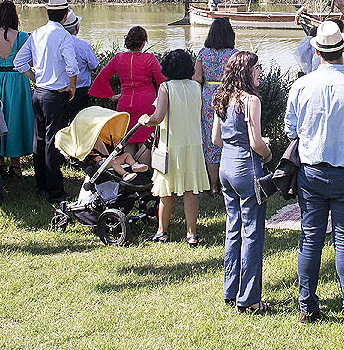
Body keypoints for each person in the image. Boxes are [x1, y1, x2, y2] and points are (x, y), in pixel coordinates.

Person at [286, 21, 344, 325]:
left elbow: (291, 130)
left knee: (311, 239)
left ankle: (307, 306)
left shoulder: (301, 86)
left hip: (312, 170)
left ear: (316, 51)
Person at [212, 51, 273, 312]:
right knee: (252, 233)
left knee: (233, 228)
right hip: (247, 169)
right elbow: (255, 142)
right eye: (256, 67)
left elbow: (215, 138)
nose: (260, 71)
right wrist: (268, 152)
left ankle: (230, 289)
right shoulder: (251, 101)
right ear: (245, 72)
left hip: (225, 167)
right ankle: (249, 298)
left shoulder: (222, 98)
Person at [13, 0, 83, 202]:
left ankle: (41, 184)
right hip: (54, 94)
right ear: (64, 16)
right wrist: (72, 87)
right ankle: (55, 191)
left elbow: (19, 62)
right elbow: (72, 65)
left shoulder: (36, 33)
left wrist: (35, 78)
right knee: (54, 141)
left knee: (39, 139)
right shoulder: (63, 36)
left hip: (39, 92)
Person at [139, 48, 210, 243]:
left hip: (170, 144)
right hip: (193, 144)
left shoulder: (165, 87)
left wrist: (147, 120)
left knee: (166, 190)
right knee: (191, 190)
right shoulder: (197, 87)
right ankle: (191, 233)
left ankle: (162, 231)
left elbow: (158, 117)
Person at [88, 26, 164, 171]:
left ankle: (130, 176)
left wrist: (111, 95)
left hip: (124, 103)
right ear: (143, 42)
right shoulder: (150, 59)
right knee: (144, 142)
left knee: (128, 141)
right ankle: (145, 177)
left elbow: (101, 78)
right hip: (146, 103)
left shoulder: (118, 58)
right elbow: (162, 81)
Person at [0, 1, 33, 177]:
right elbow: (31, 63)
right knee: (15, 119)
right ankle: (16, 165)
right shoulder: (23, 37)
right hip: (17, 80)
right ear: (14, 17)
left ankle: (0, 162)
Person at [196, 17, 238, 195]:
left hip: (207, 97)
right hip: (228, 95)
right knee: (229, 137)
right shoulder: (234, 54)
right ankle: (228, 182)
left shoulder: (203, 53)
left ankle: (214, 186)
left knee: (210, 141)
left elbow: (197, 78)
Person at [62, 10, 99, 115]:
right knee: (79, 122)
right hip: (81, 91)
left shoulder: (56, 44)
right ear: (77, 28)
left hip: (60, 89)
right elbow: (94, 66)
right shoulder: (84, 46)